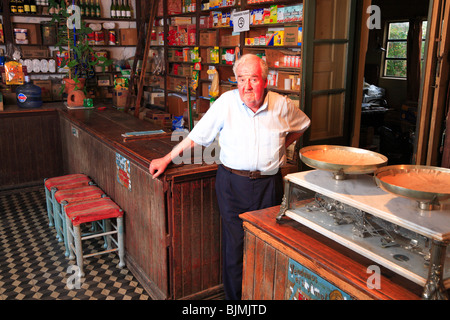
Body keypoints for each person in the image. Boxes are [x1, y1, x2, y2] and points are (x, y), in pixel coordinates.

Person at [149, 54, 310, 300]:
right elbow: (196, 136)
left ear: (264, 81)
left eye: (253, 79)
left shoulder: (281, 105)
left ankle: (261, 297)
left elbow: (303, 124)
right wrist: (167, 158)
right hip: (232, 185)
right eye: (241, 79)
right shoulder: (226, 103)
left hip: (269, 184)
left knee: (267, 245)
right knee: (235, 247)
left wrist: (282, 145)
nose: (247, 86)